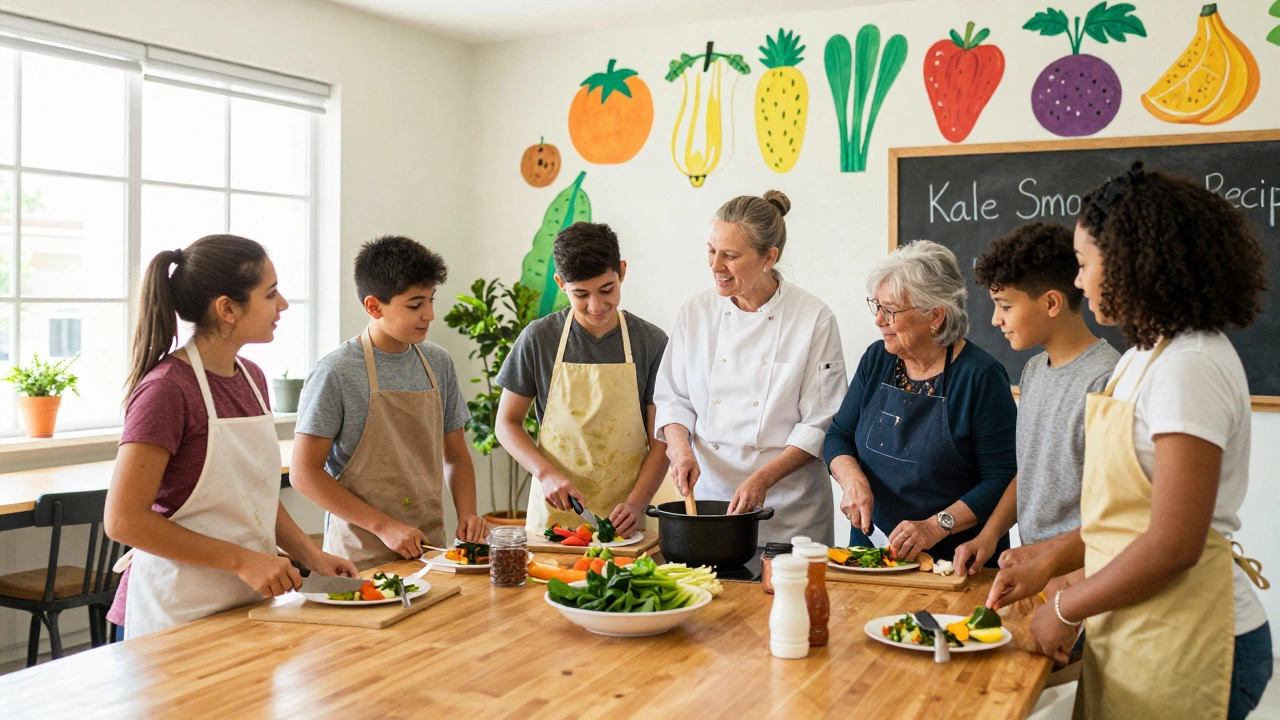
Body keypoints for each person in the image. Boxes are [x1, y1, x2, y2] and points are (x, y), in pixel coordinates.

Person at [986, 164, 1271, 720]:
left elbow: (1172, 544)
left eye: (1086, 264)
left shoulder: (1190, 366)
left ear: (1133, 264)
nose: (1079, 281)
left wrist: (1066, 606)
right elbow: (1122, 519)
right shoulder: (1145, 357)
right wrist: (1047, 564)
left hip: (1195, 635)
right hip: (1141, 625)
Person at [105, 235, 356, 640]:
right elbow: (123, 520)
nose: (283, 305)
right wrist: (245, 562)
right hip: (175, 615)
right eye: (271, 294)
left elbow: (251, 496)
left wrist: (312, 556)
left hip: (247, 606)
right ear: (227, 309)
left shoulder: (252, 379)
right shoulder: (168, 390)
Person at [655, 191, 846, 544]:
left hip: (788, 509)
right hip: (710, 502)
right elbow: (674, 399)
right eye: (712, 250)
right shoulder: (695, 312)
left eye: (730, 256)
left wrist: (762, 479)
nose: (715, 266)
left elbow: (821, 422)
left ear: (768, 258)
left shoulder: (813, 319)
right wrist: (679, 449)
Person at [291, 236, 486, 571]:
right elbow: (304, 473)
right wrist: (383, 526)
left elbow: (455, 455)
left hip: (429, 550)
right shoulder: (336, 372)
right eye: (415, 305)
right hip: (359, 557)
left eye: (430, 300)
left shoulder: (438, 363)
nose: (430, 314)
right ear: (373, 306)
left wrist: (468, 513)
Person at [823, 240, 1016, 563]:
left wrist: (935, 526)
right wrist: (852, 480)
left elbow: (1002, 479)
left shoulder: (980, 377)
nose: (879, 320)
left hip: (954, 563)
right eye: (877, 306)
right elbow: (838, 436)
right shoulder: (877, 360)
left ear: (935, 316)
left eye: (891, 311)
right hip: (873, 554)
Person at [952, 222, 1120, 575]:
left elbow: (1114, 514)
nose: (996, 319)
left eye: (1005, 306)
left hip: (1082, 578)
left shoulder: (1107, 381)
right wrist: (989, 534)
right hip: (1035, 572)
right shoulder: (1033, 371)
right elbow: (1029, 472)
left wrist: (1054, 570)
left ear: (1052, 303)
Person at [495, 222, 672, 539]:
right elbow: (506, 423)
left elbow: (661, 439)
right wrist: (545, 473)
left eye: (607, 289)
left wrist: (636, 504)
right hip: (555, 519)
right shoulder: (539, 338)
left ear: (622, 271)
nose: (597, 306)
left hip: (625, 520)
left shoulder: (650, 341)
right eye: (581, 294)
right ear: (561, 283)